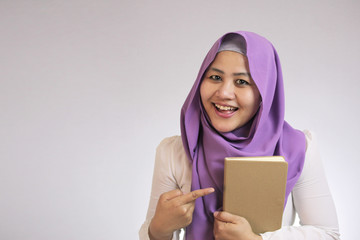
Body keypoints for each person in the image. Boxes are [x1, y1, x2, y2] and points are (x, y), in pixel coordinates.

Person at [139, 31, 340, 240]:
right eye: (215, 77)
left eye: (242, 82)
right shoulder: (174, 152)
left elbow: (328, 234)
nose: (224, 93)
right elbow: (151, 232)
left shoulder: (297, 149)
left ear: (265, 91)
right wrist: (159, 229)